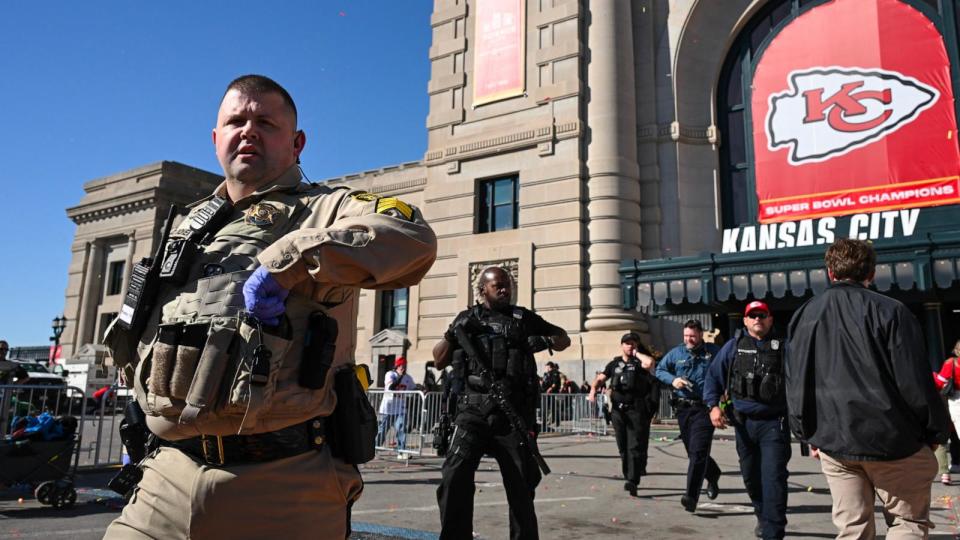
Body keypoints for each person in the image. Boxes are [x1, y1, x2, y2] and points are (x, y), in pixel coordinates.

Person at [102, 75, 437, 539]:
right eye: (236, 121)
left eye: (265, 122)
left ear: (297, 143)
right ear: (216, 138)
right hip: (164, 478)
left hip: (282, 485)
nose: (248, 131)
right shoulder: (187, 224)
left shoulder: (330, 208)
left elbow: (413, 240)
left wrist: (289, 262)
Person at [787, 238, 949, 539]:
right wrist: (936, 430)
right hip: (893, 439)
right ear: (871, 273)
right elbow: (914, 381)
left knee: (852, 528)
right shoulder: (891, 311)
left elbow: (795, 381)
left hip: (834, 439)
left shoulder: (804, 315)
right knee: (908, 523)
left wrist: (805, 432)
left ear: (830, 273)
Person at [433, 266, 570, 540]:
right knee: (453, 477)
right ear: (483, 289)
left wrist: (542, 339)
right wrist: (452, 334)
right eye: (499, 285)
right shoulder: (467, 318)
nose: (505, 289)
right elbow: (438, 359)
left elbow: (562, 338)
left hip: (512, 414)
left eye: (508, 284)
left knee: (521, 485)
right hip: (473, 411)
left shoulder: (522, 317)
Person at [704, 301, 790, 539]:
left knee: (773, 477)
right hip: (743, 424)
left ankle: (773, 531)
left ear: (771, 319)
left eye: (762, 315)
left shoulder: (784, 347)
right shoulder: (733, 347)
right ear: (745, 321)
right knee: (751, 477)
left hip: (774, 423)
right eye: (752, 316)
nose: (757, 319)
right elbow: (713, 378)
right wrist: (713, 407)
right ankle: (762, 514)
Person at [656, 319, 722, 512]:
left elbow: (725, 369)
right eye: (686, 336)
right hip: (684, 409)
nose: (689, 339)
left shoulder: (713, 352)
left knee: (699, 451)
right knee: (693, 452)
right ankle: (713, 473)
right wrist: (673, 379)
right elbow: (660, 369)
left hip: (705, 408)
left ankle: (691, 497)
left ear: (701, 334)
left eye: (692, 336)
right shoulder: (676, 353)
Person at [588, 332, 658, 496]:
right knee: (622, 446)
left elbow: (650, 363)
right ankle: (629, 476)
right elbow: (600, 378)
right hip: (618, 411)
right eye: (627, 343)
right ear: (621, 345)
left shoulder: (640, 362)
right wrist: (593, 390)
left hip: (636, 409)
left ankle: (632, 481)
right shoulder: (614, 364)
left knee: (634, 445)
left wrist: (637, 353)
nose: (630, 345)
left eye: (633, 343)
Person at [377, 357, 415, 459]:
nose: (404, 368)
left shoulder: (408, 378)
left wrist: (421, 388)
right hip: (388, 408)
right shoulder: (390, 374)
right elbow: (391, 387)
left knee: (401, 429)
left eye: (405, 366)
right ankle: (374, 448)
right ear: (397, 366)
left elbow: (413, 387)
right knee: (382, 430)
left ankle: (401, 452)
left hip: (400, 408)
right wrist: (400, 377)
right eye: (402, 366)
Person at [933, 340, 960, 484]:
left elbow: (940, 382)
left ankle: (944, 473)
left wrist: (932, 375)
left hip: (956, 400)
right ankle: (955, 463)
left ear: (956, 350)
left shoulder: (951, 363)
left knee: (947, 432)